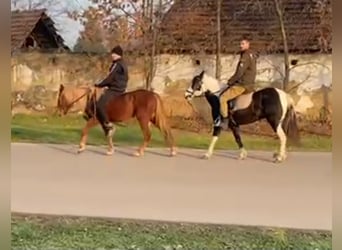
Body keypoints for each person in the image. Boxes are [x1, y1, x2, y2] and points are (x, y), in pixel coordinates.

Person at [220, 36, 257, 128]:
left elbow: (240, 72)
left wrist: (231, 81)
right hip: (251, 83)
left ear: (248, 44)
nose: (241, 46)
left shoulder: (245, 55)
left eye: (243, 44)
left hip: (243, 84)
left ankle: (225, 120)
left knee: (223, 98)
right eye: (240, 44)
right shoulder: (252, 54)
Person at [92, 45, 129, 133]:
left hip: (115, 89)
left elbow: (110, 78)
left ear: (118, 55)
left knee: (99, 104)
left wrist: (99, 85)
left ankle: (107, 124)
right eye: (112, 54)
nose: (112, 55)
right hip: (121, 88)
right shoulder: (123, 64)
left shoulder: (117, 64)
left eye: (114, 54)